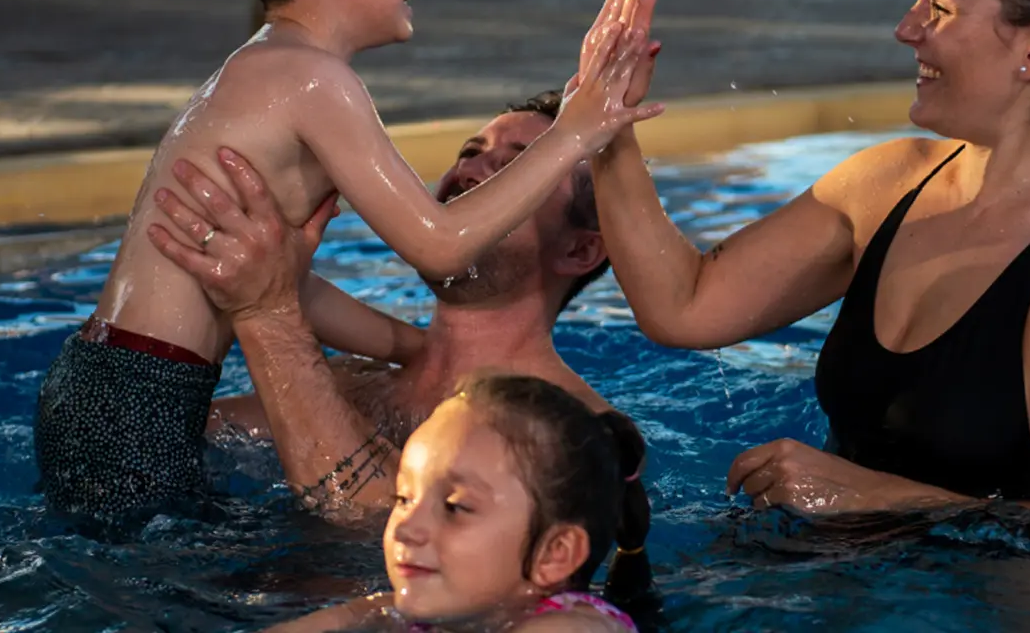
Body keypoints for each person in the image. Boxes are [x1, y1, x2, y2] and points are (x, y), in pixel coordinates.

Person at [31, 0, 665, 525]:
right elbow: (440, 243)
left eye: (513, 164)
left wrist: (423, 352)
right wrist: (575, 128)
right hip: (141, 398)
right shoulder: (317, 82)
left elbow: (290, 287)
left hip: (98, 382)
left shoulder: (263, 72)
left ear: (582, 249)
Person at [588, 0, 1030, 518]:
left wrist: (873, 496)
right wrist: (606, 126)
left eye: (939, 7)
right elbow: (685, 305)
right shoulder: (886, 184)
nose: (906, 28)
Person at [148, 90, 655, 608]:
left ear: (579, 249)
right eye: (470, 151)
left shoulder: (576, 432)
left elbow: (376, 526)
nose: (472, 168)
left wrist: (265, 312)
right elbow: (165, 440)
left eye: (517, 166)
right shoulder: (352, 381)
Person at [262, 375, 643, 632]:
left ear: (554, 554)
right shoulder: (400, 610)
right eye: (404, 498)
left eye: (455, 507)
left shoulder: (574, 627)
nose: (406, 529)